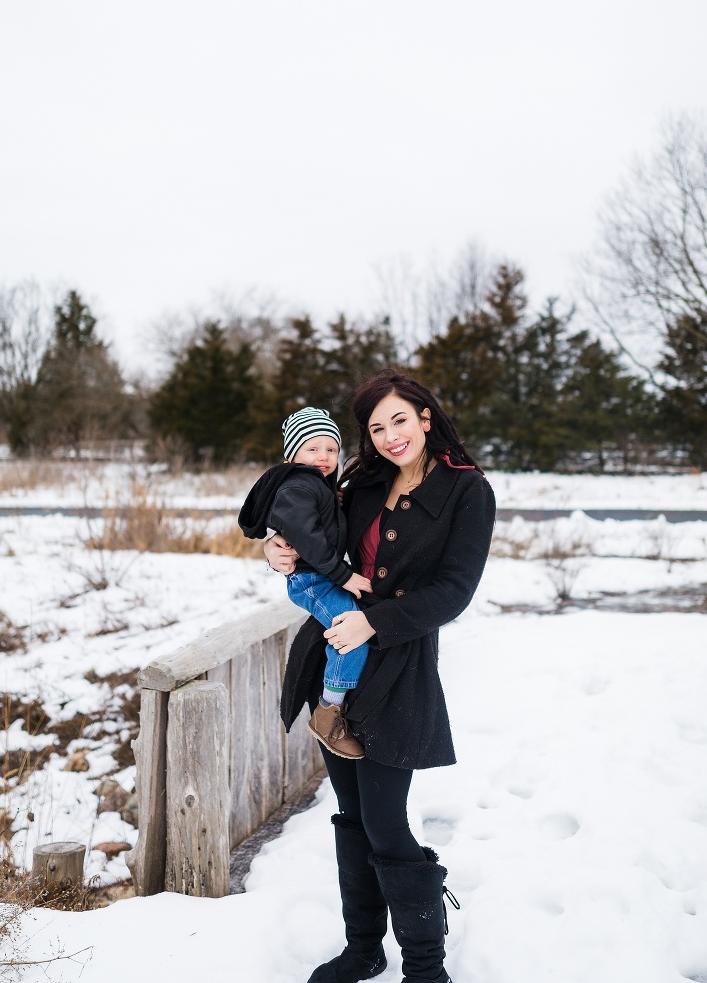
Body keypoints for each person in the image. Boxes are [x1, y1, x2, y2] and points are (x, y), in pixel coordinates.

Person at [266, 371, 496, 983]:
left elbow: (454, 591)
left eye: (399, 420)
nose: (390, 436)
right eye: (375, 427)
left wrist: (376, 623)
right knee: (350, 812)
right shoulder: (360, 481)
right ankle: (363, 949)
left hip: (400, 666)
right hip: (333, 662)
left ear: (425, 417)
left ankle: (425, 968)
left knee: (386, 818)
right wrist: (275, 548)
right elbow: (313, 532)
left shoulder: (466, 491)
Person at [238, 406, 373, 759]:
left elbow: (321, 524)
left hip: (319, 575)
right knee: (349, 639)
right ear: (292, 454)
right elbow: (308, 538)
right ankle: (329, 714)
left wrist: (335, 503)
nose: (324, 456)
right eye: (312, 449)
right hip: (315, 580)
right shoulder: (298, 486)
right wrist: (343, 575)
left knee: (349, 632)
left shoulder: (315, 487)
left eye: (331, 449)